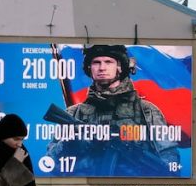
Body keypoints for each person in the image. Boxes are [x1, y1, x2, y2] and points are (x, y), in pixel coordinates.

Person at [48, 44, 179, 176]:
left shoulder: (147, 111)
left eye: (108, 62)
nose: (102, 68)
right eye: (96, 62)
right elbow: (50, 163)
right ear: (89, 68)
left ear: (120, 67)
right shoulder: (74, 113)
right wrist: (71, 143)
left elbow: (169, 158)